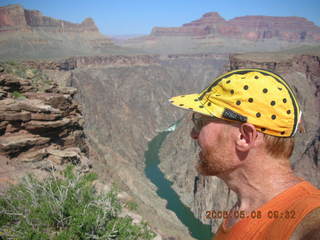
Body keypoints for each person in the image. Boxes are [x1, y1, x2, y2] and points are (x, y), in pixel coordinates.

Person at [169, 68, 320, 239]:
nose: (193, 134)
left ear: (245, 137)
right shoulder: (244, 209)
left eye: (200, 122)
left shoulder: (308, 222)